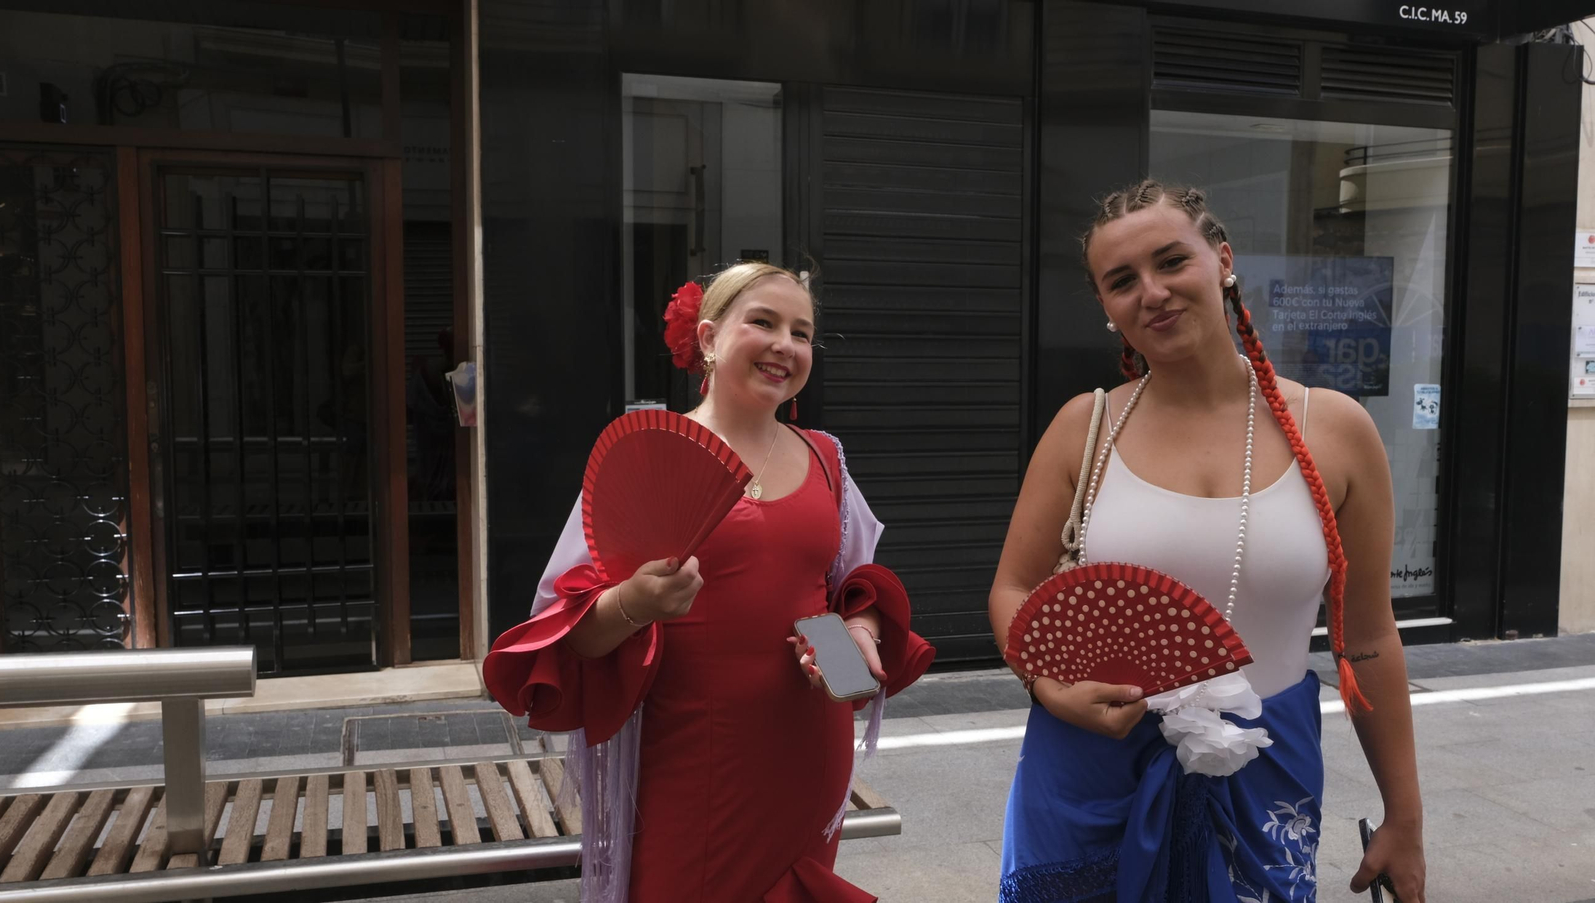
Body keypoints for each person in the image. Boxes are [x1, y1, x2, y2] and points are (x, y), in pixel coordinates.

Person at [989, 181, 1426, 902]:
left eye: (1171, 262)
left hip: (1263, 767)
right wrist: (1049, 686)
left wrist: (1404, 816)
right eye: (1122, 281)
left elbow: (1370, 635)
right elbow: (1014, 588)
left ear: (1222, 260)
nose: (1152, 292)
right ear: (1105, 307)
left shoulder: (1334, 429)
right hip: (1088, 768)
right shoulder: (1085, 427)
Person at [483, 262, 935, 903]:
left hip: (809, 746)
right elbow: (571, 630)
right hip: (692, 758)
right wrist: (635, 604)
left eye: (802, 332)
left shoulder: (826, 457)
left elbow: (848, 589)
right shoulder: (653, 455)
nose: (786, 344)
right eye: (764, 322)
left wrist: (851, 637)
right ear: (707, 338)